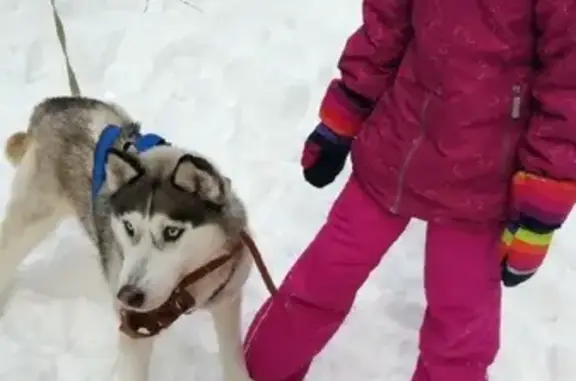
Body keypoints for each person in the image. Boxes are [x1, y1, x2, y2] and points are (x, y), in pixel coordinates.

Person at [242, 0, 576, 380]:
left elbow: (568, 92)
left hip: (482, 187)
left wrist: (538, 212)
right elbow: (383, 32)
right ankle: (256, 374)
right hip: (396, 150)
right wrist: (341, 120)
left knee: (459, 333)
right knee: (321, 278)